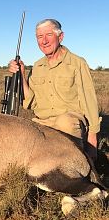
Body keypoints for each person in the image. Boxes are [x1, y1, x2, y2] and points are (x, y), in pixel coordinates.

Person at [9, 19, 101, 160]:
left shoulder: (77, 63)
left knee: (64, 124)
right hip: (42, 122)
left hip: (69, 122)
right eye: (40, 37)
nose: (44, 41)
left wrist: (92, 143)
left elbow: (89, 102)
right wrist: (21, 75)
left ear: (60, 36)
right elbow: (31, 103)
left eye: (49, 35)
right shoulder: (37, 66)